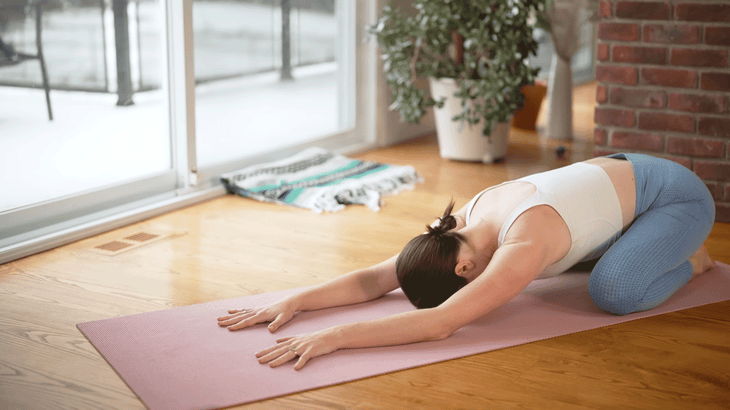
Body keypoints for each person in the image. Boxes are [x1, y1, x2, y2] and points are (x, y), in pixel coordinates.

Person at [217, 153, 717, 370]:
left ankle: (693, 260)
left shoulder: (521, 243)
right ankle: (632, 241)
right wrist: (296, 301)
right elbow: (375, 279)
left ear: (464, 271)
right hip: (627, 179)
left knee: (614, 291)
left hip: (677, 198)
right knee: (570, 261)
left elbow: (440, 324)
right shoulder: (459, 227)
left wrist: (336, 337)